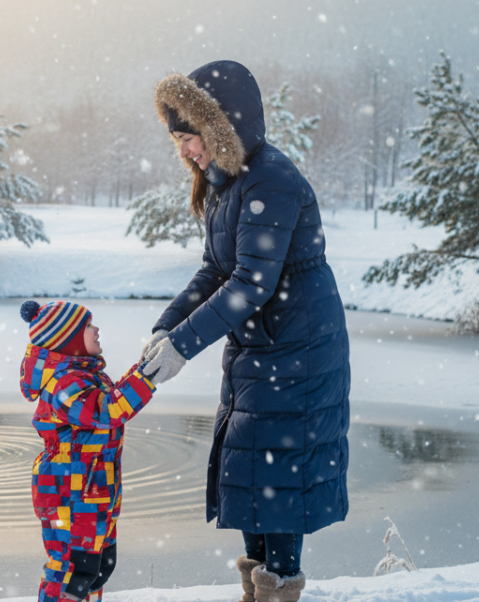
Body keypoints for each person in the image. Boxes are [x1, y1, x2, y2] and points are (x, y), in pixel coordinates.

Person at [140, 60, 351, 602]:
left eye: (189, 137)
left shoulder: (271, 180)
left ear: (220, 128)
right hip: (260, 344)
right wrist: (166, 328)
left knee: (278, 470)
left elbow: (251, 282)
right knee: (248, 461)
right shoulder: (225, 183)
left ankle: (278, 588)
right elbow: (216, 269)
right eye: (179, 140)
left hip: (298, 347)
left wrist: (185, 346)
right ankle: (256, 588)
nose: (185, 150)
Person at [19, 299, 170, 602]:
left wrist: (142, 369)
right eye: (88, 326)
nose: (97, 329)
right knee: (73, 572)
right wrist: (148, 377)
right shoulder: (64, 384)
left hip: (94, 489)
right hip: (69, 493)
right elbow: (109, 409)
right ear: (68, 340)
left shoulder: (84, 374)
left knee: (99, 566)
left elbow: (113, 397)